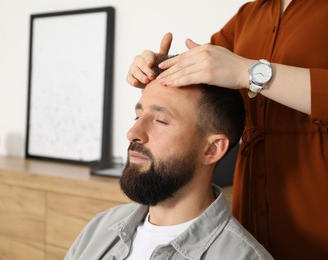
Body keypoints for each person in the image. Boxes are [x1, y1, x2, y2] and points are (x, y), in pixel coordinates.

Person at [125, 1, 328, 259]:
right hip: (252, 200)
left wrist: (249, 72)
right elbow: (210, 92)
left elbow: (236, 70)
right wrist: (161, 69)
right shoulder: (249, 15)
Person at [65, 57, 273, 260]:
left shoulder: (242, 256)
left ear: (211, 149)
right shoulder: (101, 227)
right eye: (138, 116)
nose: (133, 132)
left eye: (160, 120)